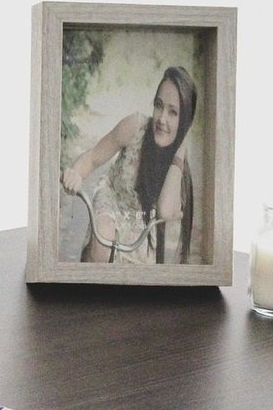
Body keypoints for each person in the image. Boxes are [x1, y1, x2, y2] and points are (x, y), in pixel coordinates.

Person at [61, 66, 197, 263]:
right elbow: (93, 157)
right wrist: (75, 174)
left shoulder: (179, 168)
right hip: (112, 204)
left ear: (186, 120)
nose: (161, 119)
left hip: (142, 231)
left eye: (173, 112)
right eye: (158, 105)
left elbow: (165, 211)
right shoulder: (135, 127)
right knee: (103, 242)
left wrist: (180, 151)